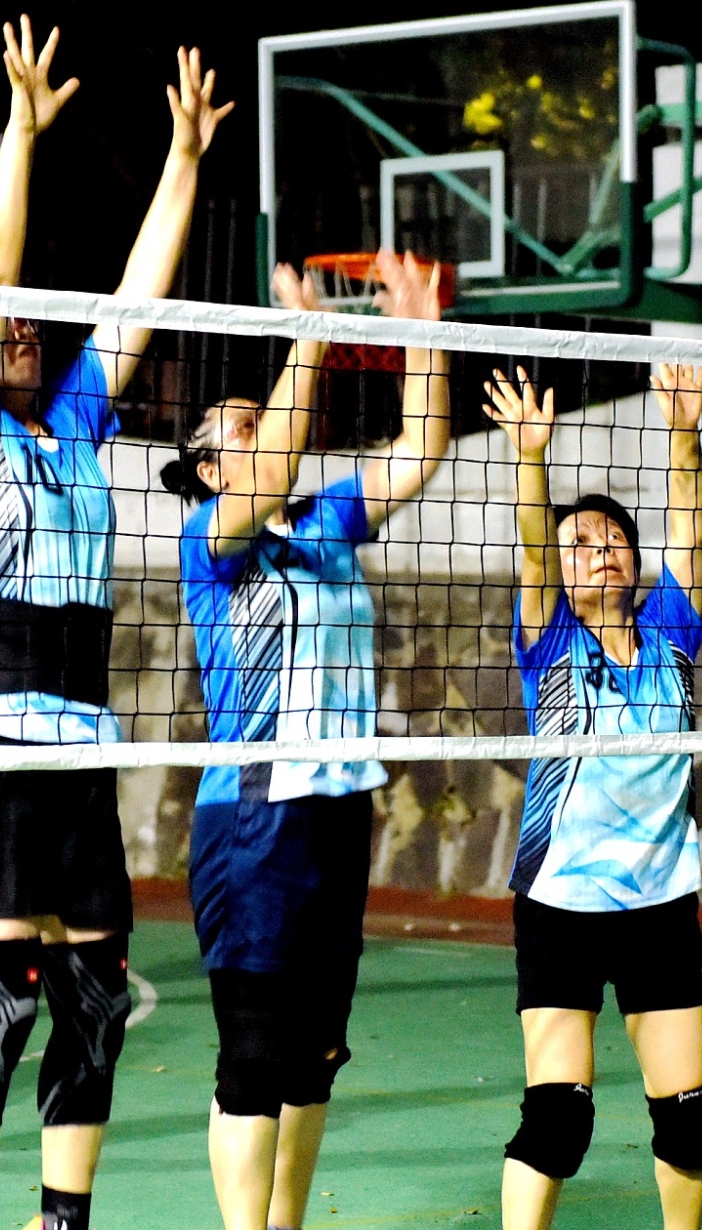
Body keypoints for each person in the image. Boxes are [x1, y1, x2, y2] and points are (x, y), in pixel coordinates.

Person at [0, 16, 230, 1230]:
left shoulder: (79, 419)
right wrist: (22, 134)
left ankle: (62, 1219)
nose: (24, 328)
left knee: (90, 1006)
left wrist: (182, 159)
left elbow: (138, 297)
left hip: (78, 734)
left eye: (38, 324)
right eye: (0, 329)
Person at [163, 252, 450, 1230]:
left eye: (267, 416)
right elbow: (277, 464)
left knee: (316, 1053)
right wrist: (311, 335)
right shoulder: (211, 539)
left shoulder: (325, 523)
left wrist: (421, 333)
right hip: (255, 815)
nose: (264, 429)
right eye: (240, 427)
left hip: (337, 809)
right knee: (252, 1055)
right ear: (210, 468)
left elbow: (421, 449)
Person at [480, 360, 702, 1230]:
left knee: (692, 1122)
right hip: (562, 902)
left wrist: (684, 435)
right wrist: (530, 458)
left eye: (613, 537)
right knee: (558, 1121)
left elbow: (691, 526)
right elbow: (532, 548)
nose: (600, 548)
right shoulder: (549, 640)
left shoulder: (672, 632)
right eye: (581, 542)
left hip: (660, 900)